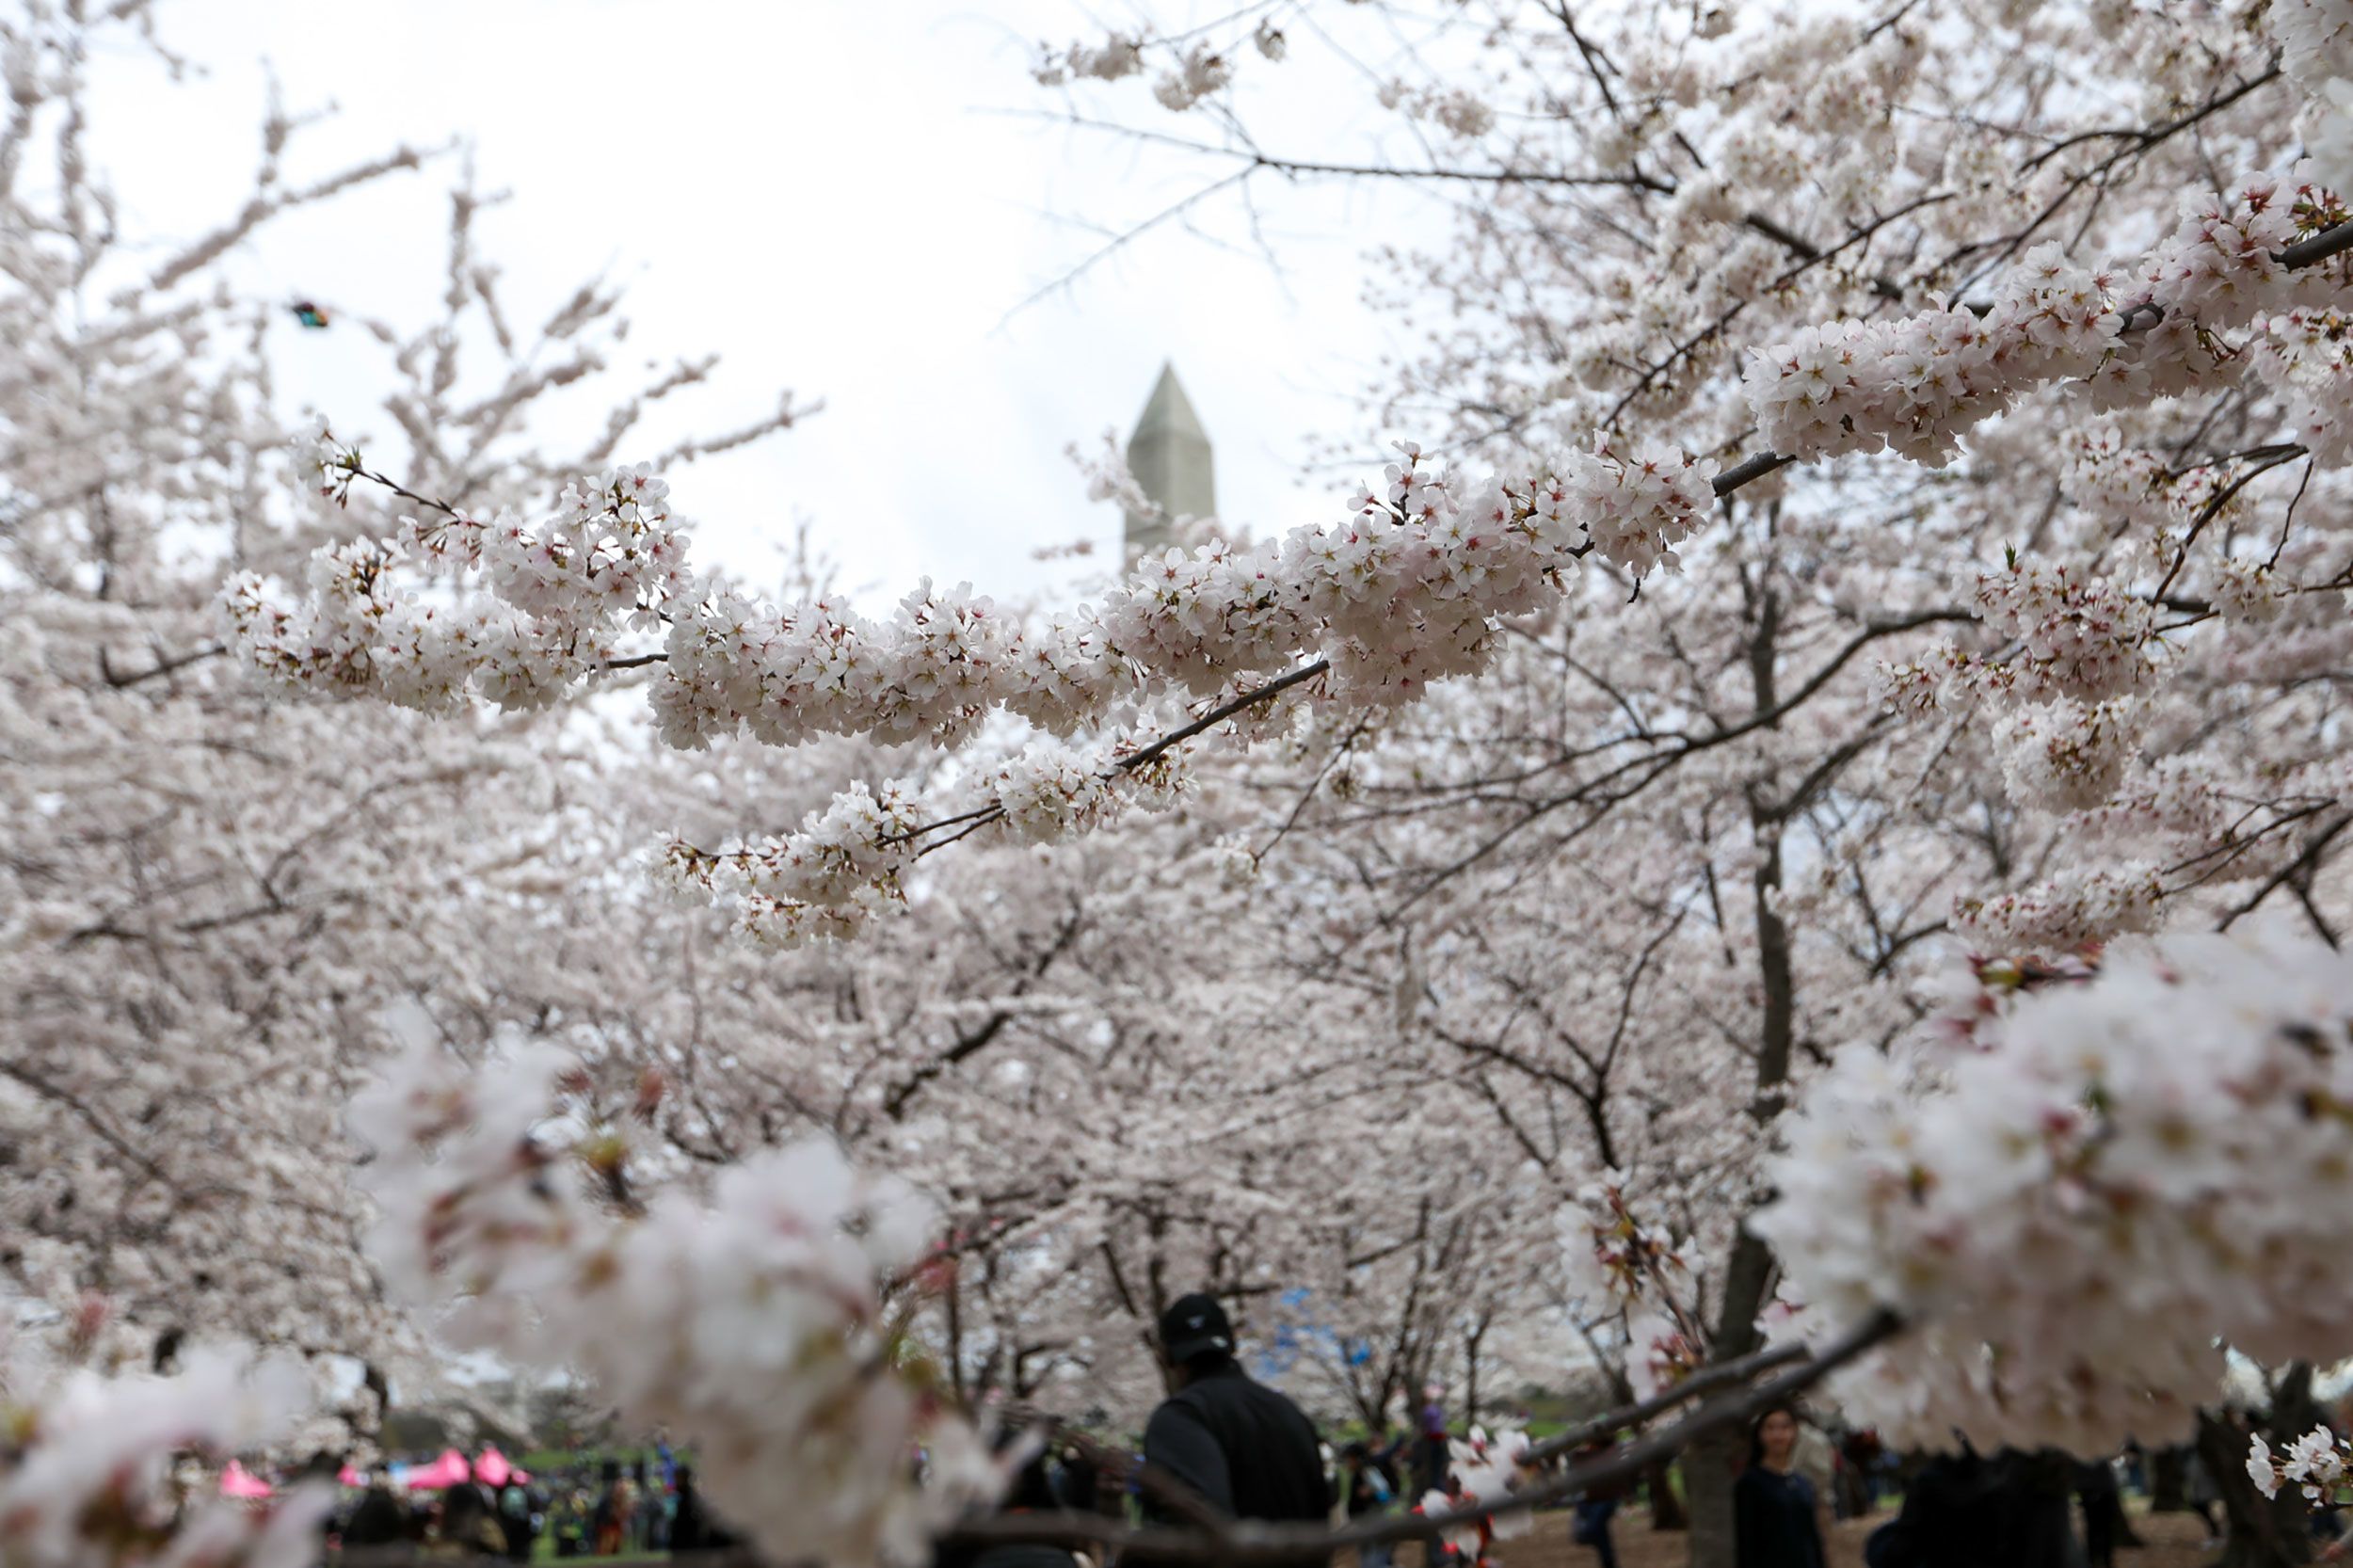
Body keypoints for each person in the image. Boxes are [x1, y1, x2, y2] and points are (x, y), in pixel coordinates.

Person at [1138, 1292, 1330, 1538]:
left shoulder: (1181, 1417)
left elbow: (1199, 1531)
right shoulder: (1289, 1411)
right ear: (1232, 1343)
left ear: (1166, 1356)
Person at [1736, 1406, 1828, 1568]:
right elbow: (1746, 1542)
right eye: (1770, 1428)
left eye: (1785, 1427)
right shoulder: (1750, 1483)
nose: (1778, 1435)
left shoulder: (1802, 1483)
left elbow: (1812, 1538)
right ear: (1759, 1434)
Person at [1338, 1440, 1396, 1568]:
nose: (1347, 1463)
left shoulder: (1368, 1473)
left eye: (1349, 1459)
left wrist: (1372, 1492)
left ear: (1357, 1459)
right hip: (1364, 1524)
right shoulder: (1358, 1476)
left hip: (1373, 1521)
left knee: (1374, 1561)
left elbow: (1385, 1495)